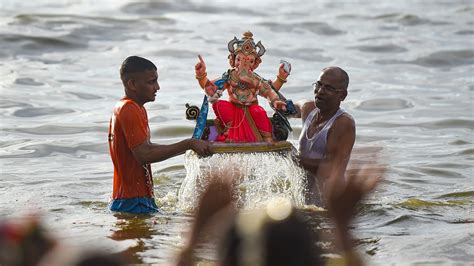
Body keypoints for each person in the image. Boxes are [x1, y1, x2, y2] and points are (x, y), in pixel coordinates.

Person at [108, 56, 212, 214]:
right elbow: (144, 155)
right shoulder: (129, 108)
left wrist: (192, 144)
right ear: (132, 84)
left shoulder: (134, 107)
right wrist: (188, 144)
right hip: (132, 202)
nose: (157, 87)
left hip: (132, 200)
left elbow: (145, 148)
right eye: (151, 82)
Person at [194, 31, 289, 143]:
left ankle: (268, 141)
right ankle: (229, 133)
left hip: (251, 110)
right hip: (233, 110)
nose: (244, 64)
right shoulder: (229, 76)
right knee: (219, 105)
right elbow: (210, 88)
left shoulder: (256, 79)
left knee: (259, 112)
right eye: (240, 59)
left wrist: (276, 99)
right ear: (233, 60)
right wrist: (201, 76)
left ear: (255, 64)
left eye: (250, 61)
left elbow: (268, 91)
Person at [293, 66, 356, 206]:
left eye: (328, 88)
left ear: (342, 96)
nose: (320, 91)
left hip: (332, 205)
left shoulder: (343, 123)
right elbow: (287, 108)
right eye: (318, 85)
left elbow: (329, 168)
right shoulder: (308, 108)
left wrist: (292, 158)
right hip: (306, 200)